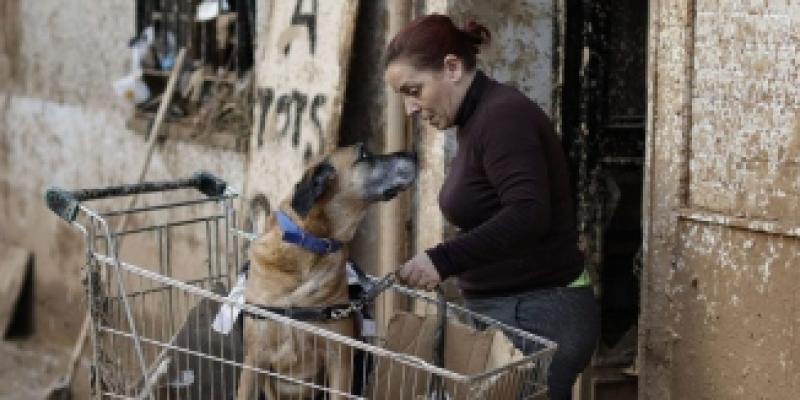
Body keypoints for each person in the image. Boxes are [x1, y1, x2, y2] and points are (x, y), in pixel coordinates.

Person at [385, 14, 600, 400]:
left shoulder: (503, 117)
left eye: (414, 90)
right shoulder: (476, 120)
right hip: (515, 310)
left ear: (452, 68)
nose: (410, 109)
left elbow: (528, 212)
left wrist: (444, 259)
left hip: (536, 313)